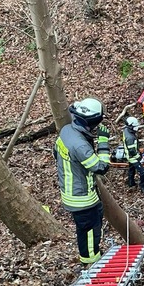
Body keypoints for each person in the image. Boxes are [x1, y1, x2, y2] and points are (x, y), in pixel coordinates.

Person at [54, 98, 110, 265]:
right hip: (81, 198)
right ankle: (92, 262)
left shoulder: (66, 131)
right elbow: (101, 167)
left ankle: (90, 256)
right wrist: (103, 143)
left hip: (72, 192)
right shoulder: (80, 145)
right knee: (90, 231)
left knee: (89, 225)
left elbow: (55, 153)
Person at [122, 116, 144, 192]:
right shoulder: (130, 138)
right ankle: (143, 188)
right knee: (143, 172)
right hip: (132, 157)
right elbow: (132, 151)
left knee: (131, 169)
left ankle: (131, 183)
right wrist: (139, 158)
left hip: (128, 156)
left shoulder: (126, 130)